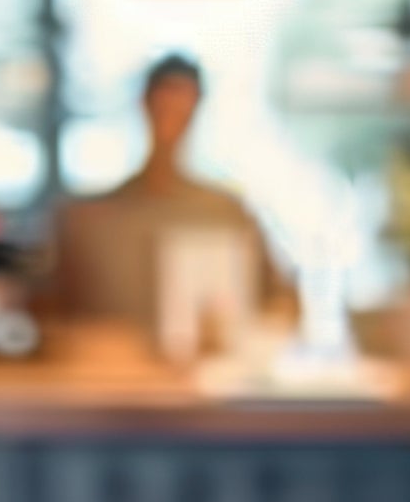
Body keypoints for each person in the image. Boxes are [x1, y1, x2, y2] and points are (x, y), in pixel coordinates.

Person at [57, 54, 283, 337]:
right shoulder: (86, 220)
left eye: (182, 102)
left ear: (196, 108)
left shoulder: (229, 214)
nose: (172, 114)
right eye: (163, 100)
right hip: (109, 372)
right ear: (144, 104)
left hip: (207, 374)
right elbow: (52, 313)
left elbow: (277, 303)